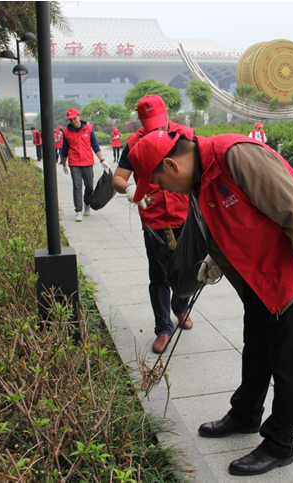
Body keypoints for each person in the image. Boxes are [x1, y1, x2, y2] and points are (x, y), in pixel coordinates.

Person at [128, 130, 293, 477]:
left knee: (289, 359)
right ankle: (245, 414)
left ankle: (279, 443)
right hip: (256, 267)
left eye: (160, 182)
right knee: (256, 345)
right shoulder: (200, 176)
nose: (165, 190)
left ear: (172, 165)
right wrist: (216, 259)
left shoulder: (236, 156)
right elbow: (226, 222)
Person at [112, 95, 194, 354]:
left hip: (185, 215)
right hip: (154, 218)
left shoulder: (185, 137)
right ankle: (163, 327)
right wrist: (129, 188)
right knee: (159, 275)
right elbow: (118, 178)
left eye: (158, 123)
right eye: (149, 125)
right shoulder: (133, 144)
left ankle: (180, 307)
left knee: (188, 268)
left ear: (167, 112)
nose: (155, 129)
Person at [60, 108, 109, 222]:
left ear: (79, 116)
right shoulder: (66, 132)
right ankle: (78, 210)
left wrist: (102, 160)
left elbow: (95, 145)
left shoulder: (89, 129)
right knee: (77, 186)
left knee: (89, 185)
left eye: (74, 118)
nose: (73, 121)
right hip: (74, 162)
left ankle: (87, 203)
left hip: (87, 161)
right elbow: (64, 149)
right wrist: (64, 164)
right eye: (70, 120)